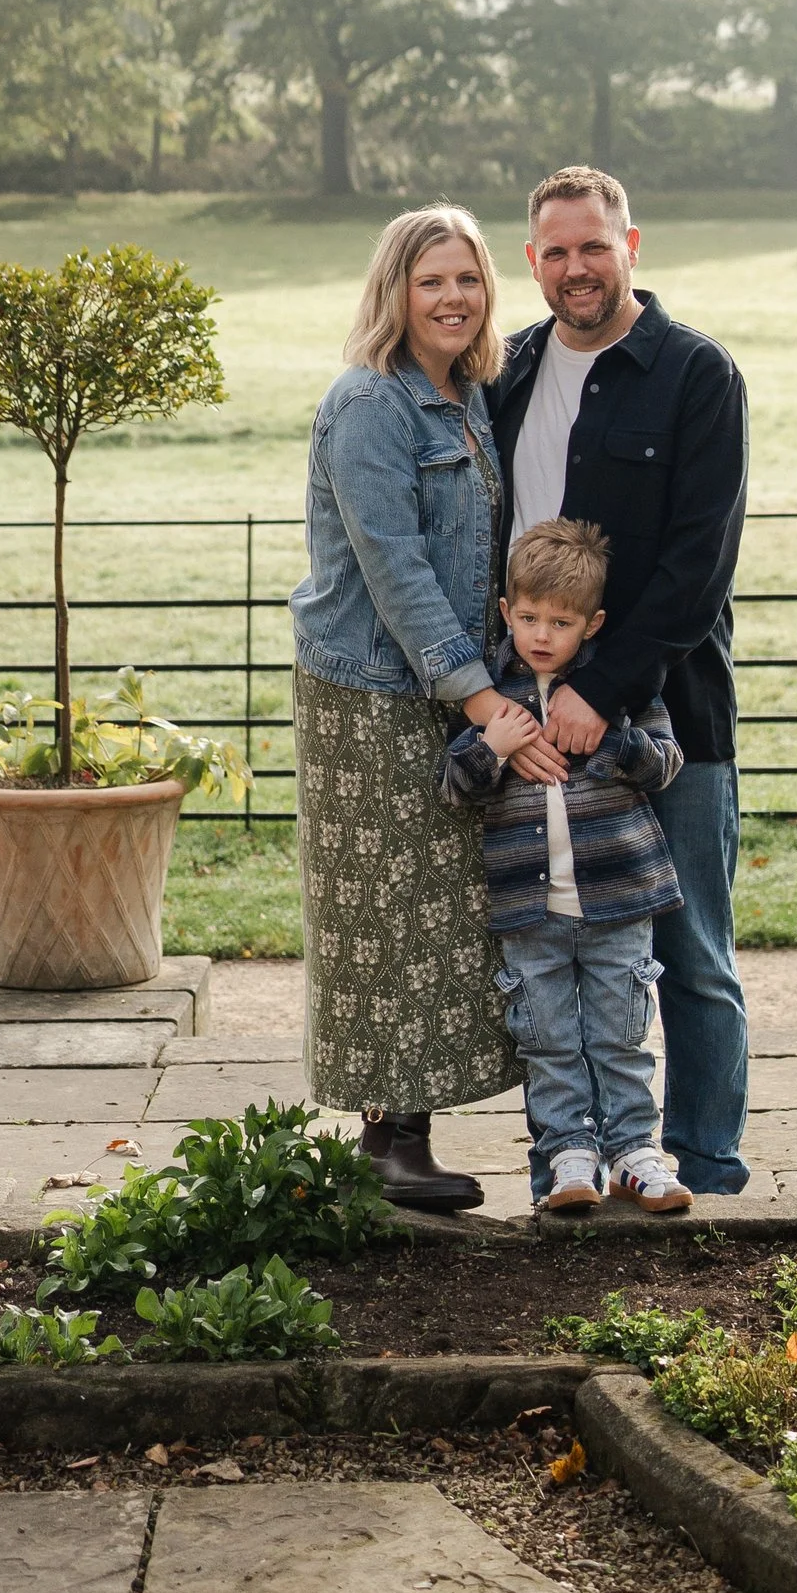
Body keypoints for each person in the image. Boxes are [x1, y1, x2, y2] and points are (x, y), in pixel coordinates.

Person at [488, 165, 751, 1197]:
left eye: (593, 246)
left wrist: (604, 689)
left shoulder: (696, 375)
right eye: (554, 251)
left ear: (631, 246)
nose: (575, 268)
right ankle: (575, 1157)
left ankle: (709, 1168)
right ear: (532, 262)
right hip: (529, 731)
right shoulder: (506, 371)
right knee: (545, 957)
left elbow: (699, 565)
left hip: (666, 719)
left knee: (688, 953)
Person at [291, 206, 517, 1209]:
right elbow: (395, 567)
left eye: (467, 279)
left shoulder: (464, 397)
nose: (453, 298)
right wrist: (475, 695)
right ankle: (383, 1142)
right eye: (432, 281)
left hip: (440, 681)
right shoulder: (371, 405)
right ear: (395, 292)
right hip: (372, 691)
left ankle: (403, 1134)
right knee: (379, 909)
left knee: (435, 912)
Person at [438, 517, 692, 1215]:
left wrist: (615, 735)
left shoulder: (618, 691)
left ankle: (637, 1152)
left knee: (620, 1033)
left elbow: (665, 763)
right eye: (527, 617)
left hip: (618, 901)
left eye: (561, 621)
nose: (542, 634)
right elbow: (454, 786)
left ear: (593, 623)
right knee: (547, 1039)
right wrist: (490, 745)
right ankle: (569, 1155)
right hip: (529, 910)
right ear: (505, 613)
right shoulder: (489, 694)